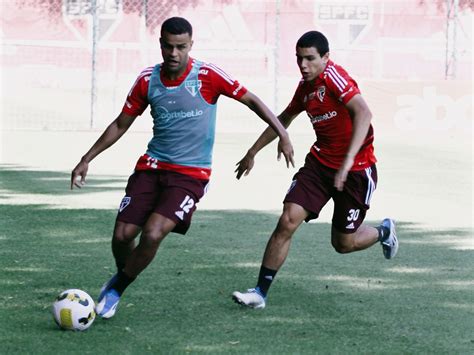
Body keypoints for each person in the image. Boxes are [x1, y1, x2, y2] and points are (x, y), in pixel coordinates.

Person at [70, 17, 294, 319]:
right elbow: (122, 123)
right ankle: (123, 274)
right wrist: (87, 158)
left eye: (181, 47)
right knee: (123, 235)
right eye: (168, 46)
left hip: (191, 175)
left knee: (153, 233)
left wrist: (282, 133)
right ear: (160, 44)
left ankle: (116, 289)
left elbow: (251, 100)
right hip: (151, 167)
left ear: (191, 45)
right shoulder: (147, 80)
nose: (174, 53)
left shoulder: (207, 76)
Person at [231, 30, 398, 309]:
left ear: (326, 58)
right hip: (319, 166)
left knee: (343, 244)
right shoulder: (306, 87)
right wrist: (252, 151)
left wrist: (347, 163)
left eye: (310, 58)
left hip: (356, 172)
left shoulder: (334, 78)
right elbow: (284, 117)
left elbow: (364, 113)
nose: (303, 65)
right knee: (287, 220)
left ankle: (383, 231)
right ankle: (260, 293)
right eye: (299, 59)